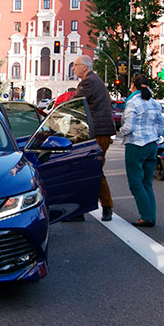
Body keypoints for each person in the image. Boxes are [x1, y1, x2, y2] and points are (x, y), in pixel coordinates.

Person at [71, 55, 116, 221]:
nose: (73, 68)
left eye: (75, 65)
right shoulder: (95, 80)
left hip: (97, 133)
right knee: (89, 169)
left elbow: (75, 104)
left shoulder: (88, 82)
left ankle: (106, 207)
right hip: (100, 132)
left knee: (93, 170)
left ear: (84, 67)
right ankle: (82, 210)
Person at [120, 74, 164, 227]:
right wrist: (154, 135)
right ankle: (151, 215)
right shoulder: (154, 103)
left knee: (136, 183)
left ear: (133, 85)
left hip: (136, 145)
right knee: (147, 182)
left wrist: (121, 131)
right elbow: (160, 126)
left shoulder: (133, 103)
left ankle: (146, 217)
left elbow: (128, 127)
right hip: (152, 144)